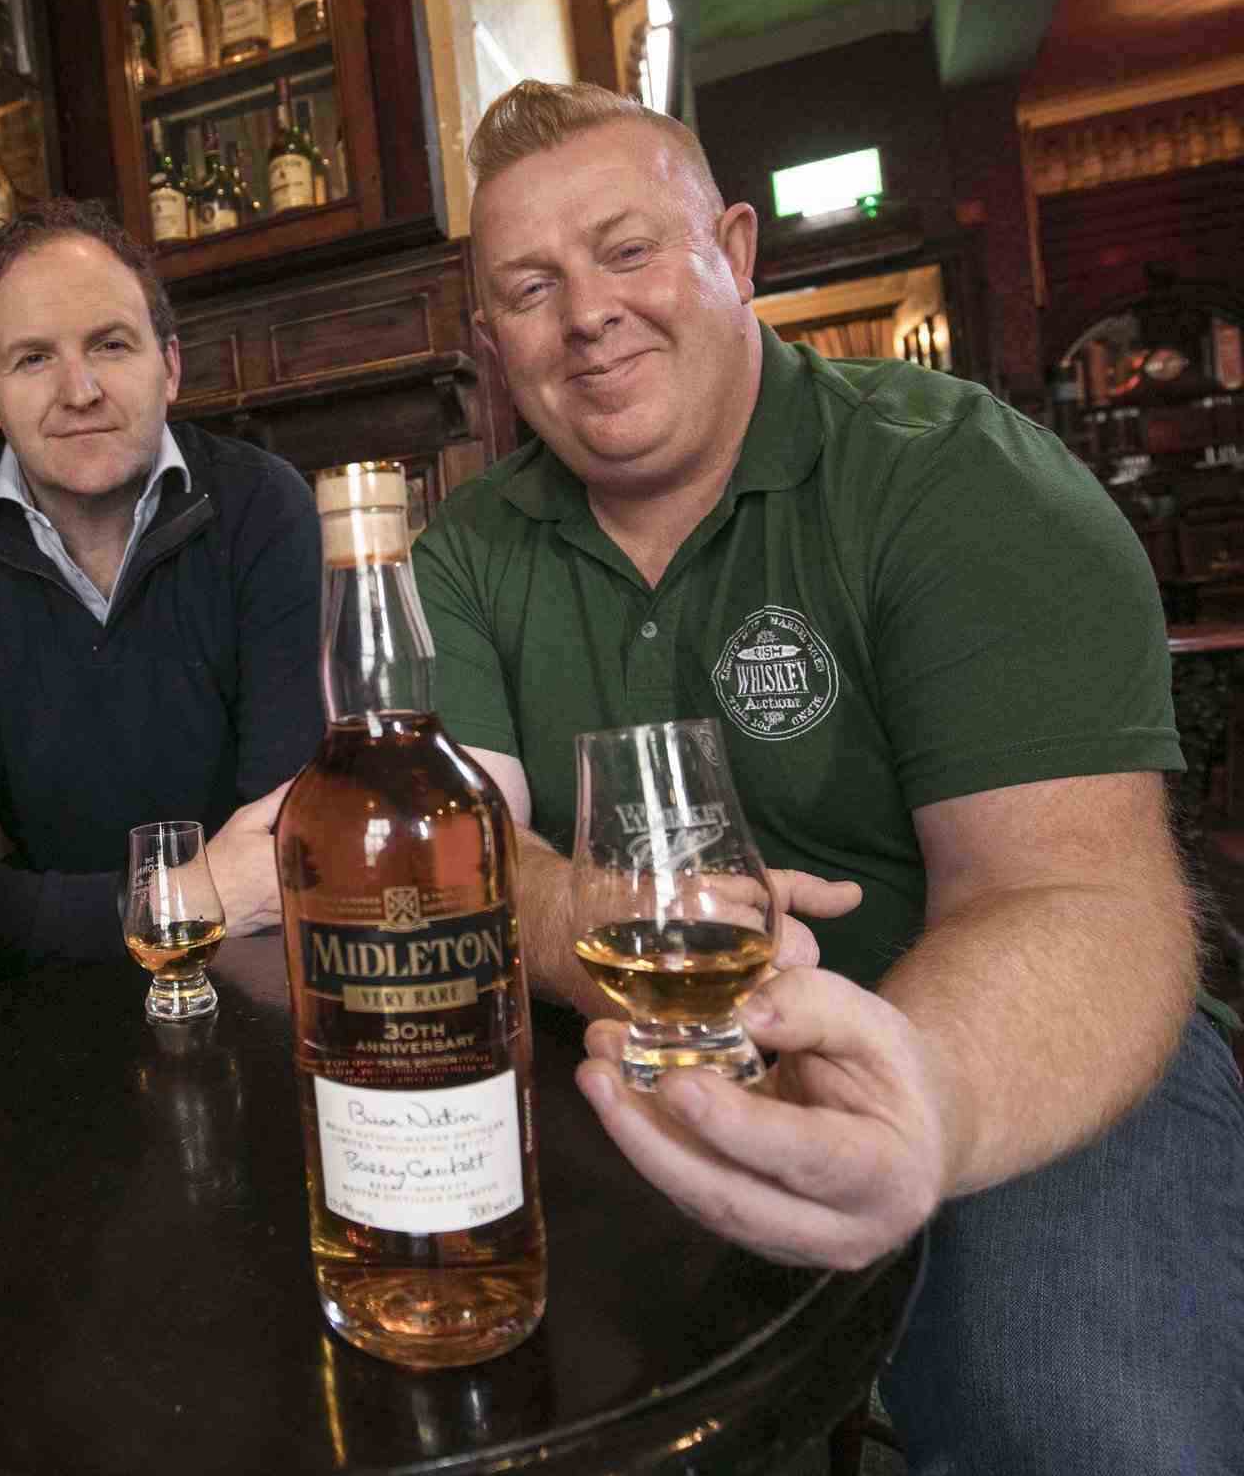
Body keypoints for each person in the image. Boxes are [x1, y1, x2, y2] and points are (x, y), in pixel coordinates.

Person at [413, 80, 1244, 1473]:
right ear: (494, 340)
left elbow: (1079, 892)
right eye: (530, 285)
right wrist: (647, 935)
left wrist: (917, 1089)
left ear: (735, 251)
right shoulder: (468, 548)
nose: (588, 313)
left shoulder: (957, 479)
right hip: (647, 1062)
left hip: (1030, 1063)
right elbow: (467, 847)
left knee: (1077, 1435)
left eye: (629, 249)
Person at [0, 198, 322, 976]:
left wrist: (55, 909)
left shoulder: (263, 507)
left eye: (110, 344)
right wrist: (192, 895)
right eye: (33, 358)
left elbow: (281, 857)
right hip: (42, 1005)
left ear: (168, 365)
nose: (79, 390)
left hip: (258, 978)